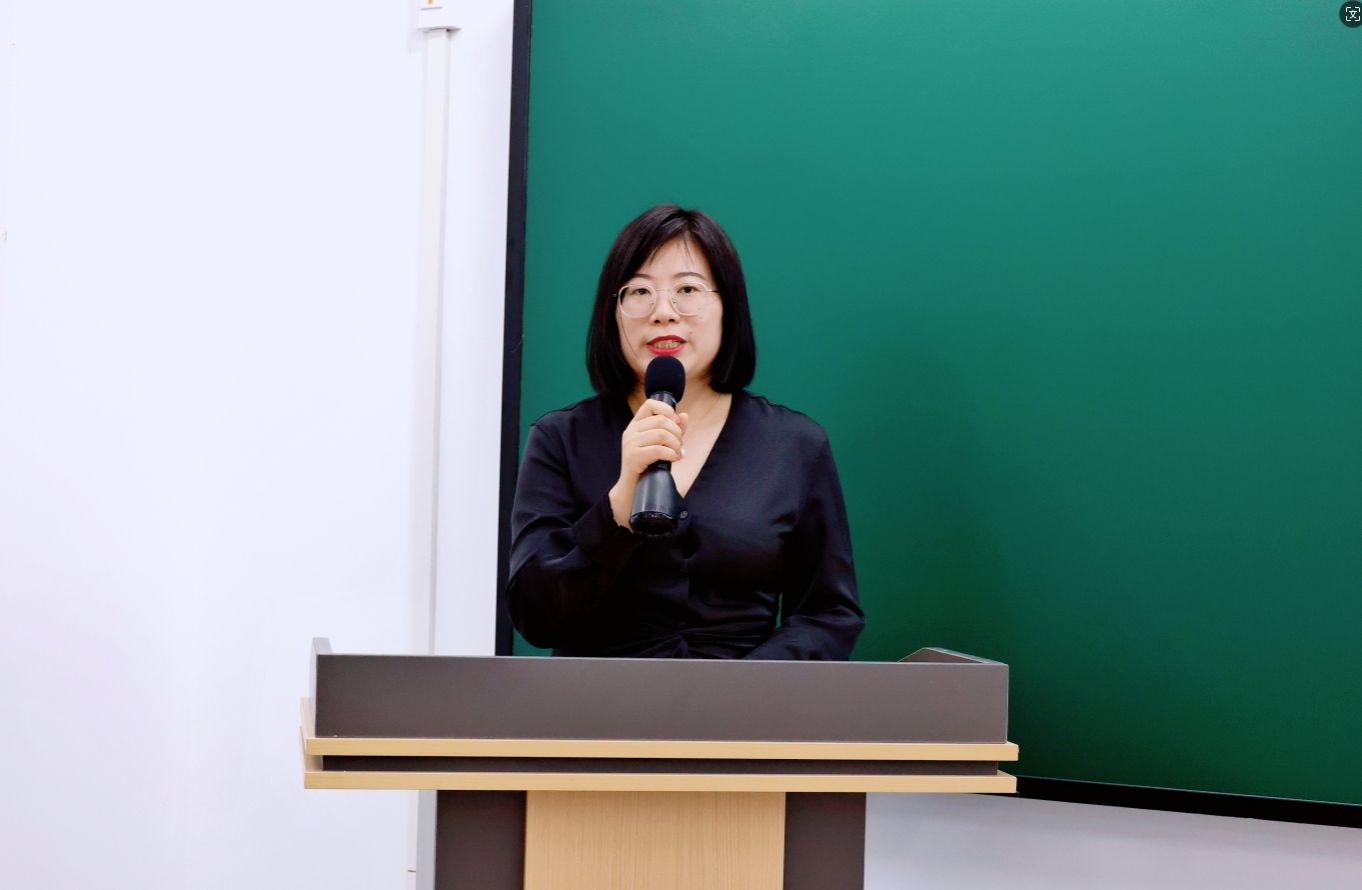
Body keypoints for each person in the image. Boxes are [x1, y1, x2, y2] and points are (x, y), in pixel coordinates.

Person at [507, 204, 864, 659]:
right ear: (612, 313)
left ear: (727, 306)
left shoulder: (794, 444)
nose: (663, 312)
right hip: (597, 702)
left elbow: (828, 614)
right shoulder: (560, 439)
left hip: (748, 701)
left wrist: (746, 687)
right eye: (639, 291)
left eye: (687, 290)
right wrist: (618, 507)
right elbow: (535, 616)